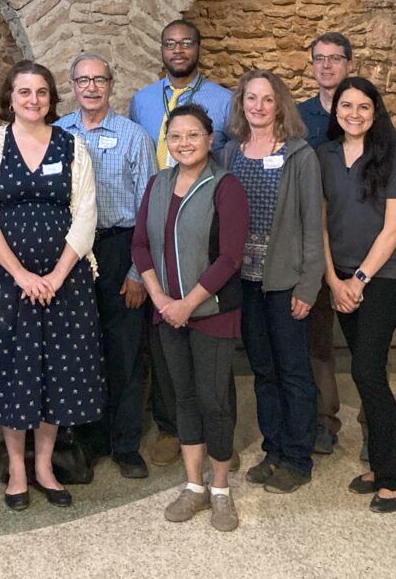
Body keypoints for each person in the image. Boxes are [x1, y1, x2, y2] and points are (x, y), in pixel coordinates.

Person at [0, 60, 103, 510]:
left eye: (41, 92)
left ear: (51, 98)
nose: (33, 100)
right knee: (14, 373)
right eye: (24, 92)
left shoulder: (71, 146)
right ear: (10, 97)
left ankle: (45, 467)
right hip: (6, 281)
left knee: (57, 374)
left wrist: (57, 276)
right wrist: (22, 275)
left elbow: (85, 214)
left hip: (65, 282)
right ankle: (17, 470)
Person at [131, 104, 248, 532]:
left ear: (209, 139)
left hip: (211, 313)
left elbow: (229, 258)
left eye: (193, 135)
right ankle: (194, 485)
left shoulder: (226, 187)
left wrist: (187, 304)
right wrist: (161, 298)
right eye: (176, 136)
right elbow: (140, 244)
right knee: (182, 398)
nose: (184, 143)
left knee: (213, 400)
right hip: (168, 313)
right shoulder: (158, 184)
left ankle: (221, 490)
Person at [128, 19, 235, 468]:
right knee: (166, 353)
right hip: (157, 215)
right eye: (170, 43)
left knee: (212, 364)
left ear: (198, 47)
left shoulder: (224, 100)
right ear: (161, 49)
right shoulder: (141, 101)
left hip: (205, 216)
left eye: (186, 42)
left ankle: (220, 439)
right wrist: (148, 282)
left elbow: (230, 159)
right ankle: (173, 430)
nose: (178, 50)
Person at [54, 52, 157, 479]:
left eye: (99, 79)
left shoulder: (134, 137)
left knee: (125, 351)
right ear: (72, 87)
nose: (91, 87)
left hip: (118, 248)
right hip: (73, 254)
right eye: (83, 80)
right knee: (81, 351)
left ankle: (126, 445)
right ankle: (90, 440)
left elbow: (149, 209)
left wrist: (137, 271)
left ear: (112, 85)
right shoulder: (57, 133)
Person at [221, 70, 323, 494]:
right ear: (241, 104)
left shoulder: (300, 155)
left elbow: (313, 226)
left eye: (267, 99)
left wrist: (308, 286)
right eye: (251, 98)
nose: (258, 106)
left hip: (285, 282)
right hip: (244, 282)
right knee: (262, 370)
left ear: (279, 104)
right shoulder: (231, 153)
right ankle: (274, 449)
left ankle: (298, 458)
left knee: (293, 371)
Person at [319, 76, 396, 513]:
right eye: (346, 105)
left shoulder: (393, 157)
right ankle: (379, 464)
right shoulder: (324, 156)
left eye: (363, 107)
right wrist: (333, 280)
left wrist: (357, 281)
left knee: (367, 371)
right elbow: (319, 223)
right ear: (335, 110)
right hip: (340, 278)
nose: (354, 114)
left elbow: (393, 230)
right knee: (367, 373)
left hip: (383, 278)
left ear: (375, 113)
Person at [297, 32, 354, 455]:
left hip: (357, 238)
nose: (327, 65)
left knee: (368, 348)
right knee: (317, 340)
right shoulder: (300, 117)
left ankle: (375, 428)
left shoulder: (366, 109)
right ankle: (323, 421)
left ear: (349, 63)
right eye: (320, 58)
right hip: (314, 241)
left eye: (335, 58)